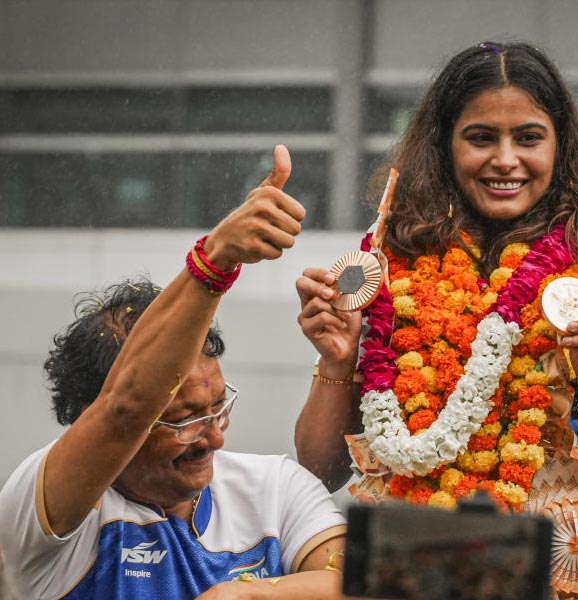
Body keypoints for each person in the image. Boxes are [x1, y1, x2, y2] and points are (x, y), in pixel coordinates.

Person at [295, 42, 578, 597]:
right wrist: (338, 360)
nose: (506, 160)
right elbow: (321, 471)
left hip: (546, 577)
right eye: (481, 137)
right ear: (444, 147)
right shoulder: (388, 280)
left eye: (529, 137)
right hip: (405, 572)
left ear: (559, 148)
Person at [0, 146, 346, 600]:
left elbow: (360, 584)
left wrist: (246, 595)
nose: (213, 439)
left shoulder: (274, 487)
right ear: (92, 417)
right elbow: (127, 407)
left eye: (218, 409)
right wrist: (216, 257)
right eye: (182, 420)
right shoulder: (43, 508)